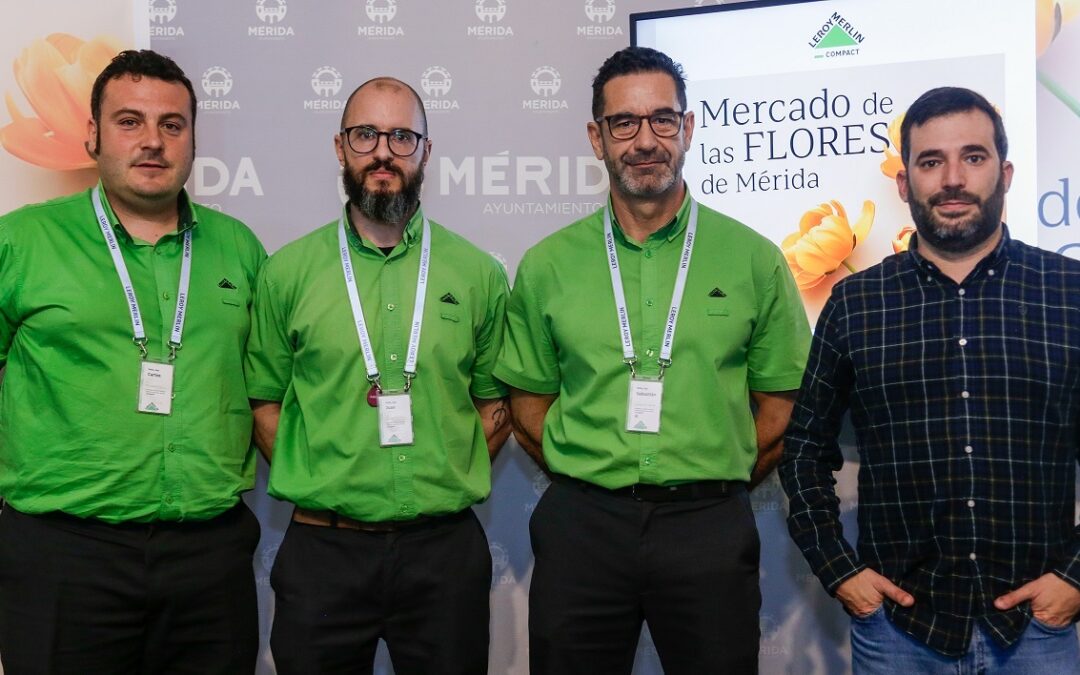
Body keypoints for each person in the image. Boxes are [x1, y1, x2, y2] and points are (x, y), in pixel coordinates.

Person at [494, 46, 811, 675]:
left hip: (709, 528)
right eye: (624, 124)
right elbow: (527, 401)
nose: (645, 140)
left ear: (689, 129)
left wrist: (713, 471)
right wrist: (581, 465)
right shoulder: (547, 265)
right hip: (583, 525)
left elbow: (784, 401)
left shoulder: (753, 259)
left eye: (663, 120)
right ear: (597, 137)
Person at [780, 86, 1080, 674]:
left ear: (1006, 172)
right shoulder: (856, 303)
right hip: (900, 634)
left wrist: (1075, 579)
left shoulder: (1069, 294)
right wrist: (841, 572)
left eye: (973, 157)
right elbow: (803, 454)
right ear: (903, 183)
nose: (952, 179)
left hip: (1038, 635)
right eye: (930, 161)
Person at [0, 50, 265, 673]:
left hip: (209, 557)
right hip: (64, 553)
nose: (152, 141)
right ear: (92, 134)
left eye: (172, 125)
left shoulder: (240, 250)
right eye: (129, 121)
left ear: (192, 138)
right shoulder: (21, 243)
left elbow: (269, 388)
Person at [244, 76, 510, 675]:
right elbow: (263, 401)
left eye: (401, 136)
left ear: (426, 152)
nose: (383, 152)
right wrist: (316, 472)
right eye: (366, 135)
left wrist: (443, 470)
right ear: (340, 148)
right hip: (322, 552)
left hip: (444, 552)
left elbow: (497, 404)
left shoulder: (477, 274)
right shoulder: (287, 273)